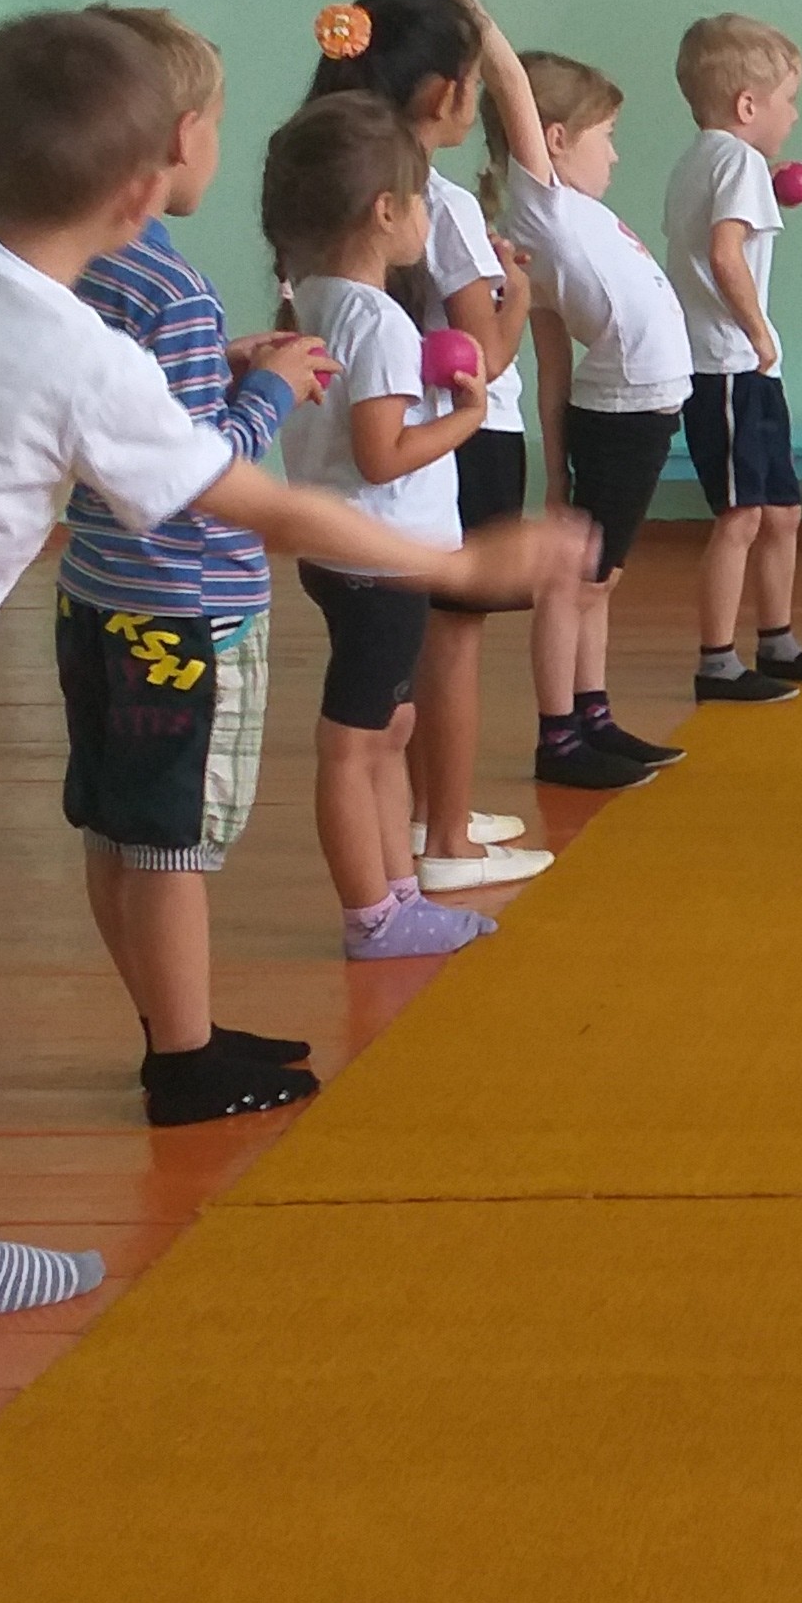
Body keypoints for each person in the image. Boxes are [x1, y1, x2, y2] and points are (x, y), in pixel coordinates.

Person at [0, 13, 577, 1323]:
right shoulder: (85, 365)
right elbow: (268, 510)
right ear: (142, 189)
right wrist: (455, 562)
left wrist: (234, 371)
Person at [59, 5, 331, 1126]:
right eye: (216, 122)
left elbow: (127, 410)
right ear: (180, 137)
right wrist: (271, 390)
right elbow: (195, 465)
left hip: (98, 594)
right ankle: (184, 1062)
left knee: (119, 825)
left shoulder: (78, 263)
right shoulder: (171, 286)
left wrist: (220, 363)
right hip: (188, 609)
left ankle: (173, 1026)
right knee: (174, 841)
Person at [304, 0, 548, 895]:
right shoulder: (433, 200)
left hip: (385, 456)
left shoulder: (328, 175)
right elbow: (484, 356)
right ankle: (446, 834)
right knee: (451, 643)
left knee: (414, 659)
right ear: (445, 93)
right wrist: (514, 294)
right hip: (456, 438)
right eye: (473, 86)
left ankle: (426, 810)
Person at [266, 93, 518, 966]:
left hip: (346, 556)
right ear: (385, 211)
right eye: (419, 202)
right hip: (379, 560)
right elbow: (382, 455)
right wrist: (467, 416)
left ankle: (397, 895)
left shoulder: (314, 299)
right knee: (353, 742)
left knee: (390, 728)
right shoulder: (377, 319)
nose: (425, 218)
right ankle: (371, 915)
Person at [488, 50, 690, 794]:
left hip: (630, 414)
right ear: (554, 140)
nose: (616, 153)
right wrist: (466, 7)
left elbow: (553, 365)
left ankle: (593, 716)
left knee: (596, 579)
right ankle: (559, 737)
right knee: (573, 584)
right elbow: (510, 83)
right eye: (606, 135)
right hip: (622, 413)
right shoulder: (542, 208)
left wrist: (556, 474)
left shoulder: (570, 221)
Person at [663, 13, 802, 703]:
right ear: (748, 105)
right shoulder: (738, 162)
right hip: (729, 365)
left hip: (740, 367)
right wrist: (758, 331)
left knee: (780, 511)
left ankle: (778, 641)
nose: (794, 116)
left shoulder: (704, 159)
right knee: (741, 516)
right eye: (788, 101)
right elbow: (723, 254)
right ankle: (716, 662)